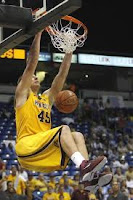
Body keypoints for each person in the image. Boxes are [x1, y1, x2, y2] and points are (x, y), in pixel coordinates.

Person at [14, 31, 112, 192]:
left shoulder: (46, 98)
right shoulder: (22, 95)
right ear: (22, 82)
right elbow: (31, 63)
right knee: (64, 129)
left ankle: (90, 178)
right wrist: (38, 33)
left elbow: (61, 76)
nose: (35, 77)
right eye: (32, 77)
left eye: (35, 77)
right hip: (26, 147)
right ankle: (84, 166)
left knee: (77, 135)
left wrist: (69, 50)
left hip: (42, 148)